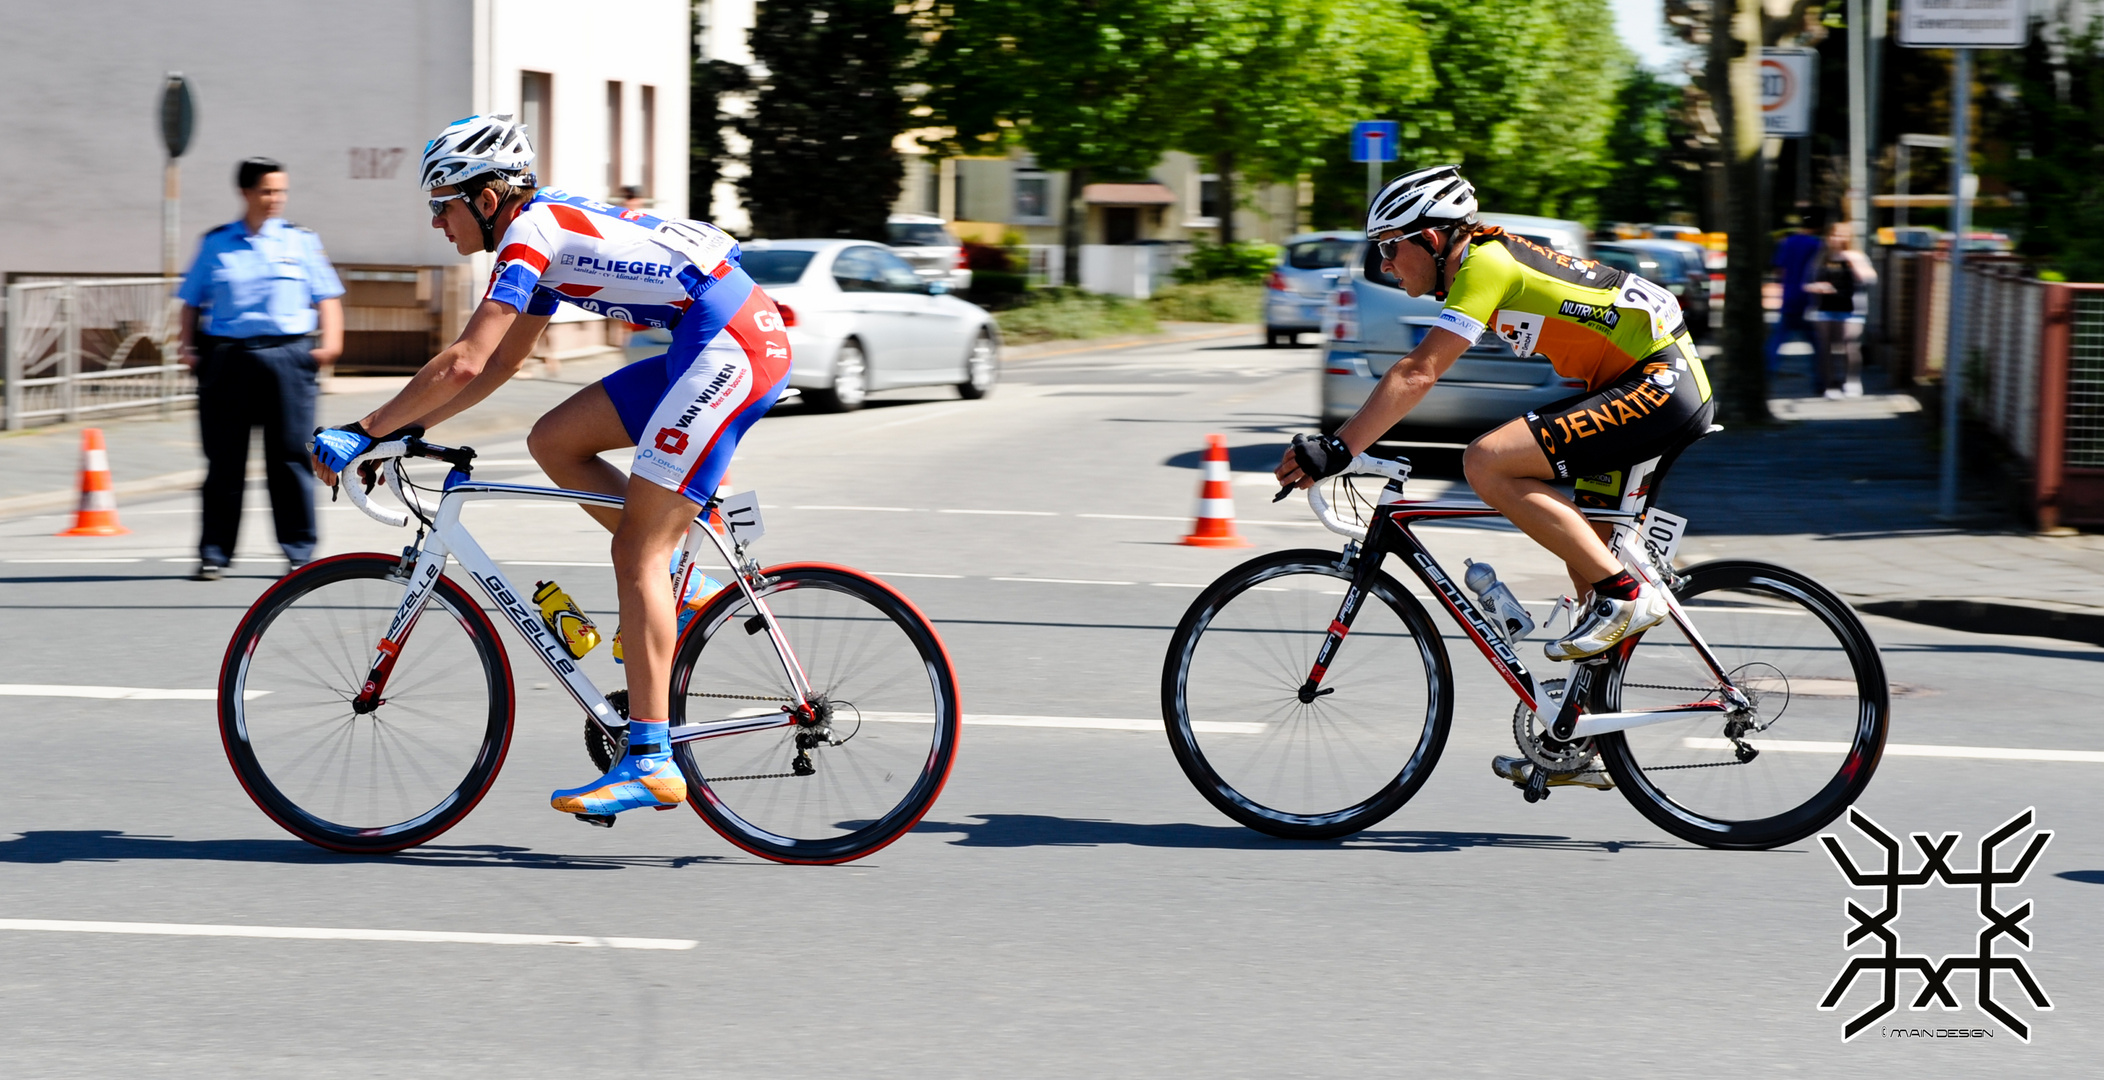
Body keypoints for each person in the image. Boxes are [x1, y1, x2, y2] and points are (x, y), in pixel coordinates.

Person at [307, 115, 791, 822]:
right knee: (556, 440)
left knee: (637, 550)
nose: (437, 222)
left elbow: (465, 359)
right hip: (711, 339)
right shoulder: (534, 234)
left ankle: (651, 758)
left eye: (442, 204)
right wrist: (403, 432)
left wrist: (363, 430)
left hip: (731, 347)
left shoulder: (530, 236)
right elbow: (500, 365)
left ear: (488, 197)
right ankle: (686, 582)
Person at [1273, 164, 1714, 789]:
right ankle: (1582, 733)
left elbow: (1418, 372)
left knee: (1485, 461)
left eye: (1390, 249)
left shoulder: (1485, 264)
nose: (1387, 267)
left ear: (1430, 239)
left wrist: (1339, 448)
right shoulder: (1484, 263)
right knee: (1584, 552)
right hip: (1635, 382)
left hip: (1659, 382)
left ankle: (1627, 594)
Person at [176, 157, 344, 580]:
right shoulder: (217, 243)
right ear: (246, 193)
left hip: (289, 358)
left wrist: (331, 345)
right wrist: (187, 347)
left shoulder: (300, 241)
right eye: (267, 191)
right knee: (224, 461)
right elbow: (191, 300)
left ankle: (299, 551)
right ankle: (214, 553)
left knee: (289, 457)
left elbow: (327, 296)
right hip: (227, 359)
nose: (275, 200)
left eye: (281, 191)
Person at [1805, 219, 1877, 398]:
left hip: (1851, 309)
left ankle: (1852, 381)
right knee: (1825, 348)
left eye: (1842, 235)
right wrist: (1816, 287)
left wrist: (1853, 261)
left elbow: (1870, 278)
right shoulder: (1822, 256)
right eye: (1834, 235)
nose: (1837, 239)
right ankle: (1830, 386)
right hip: (1824, 308)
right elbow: (1808, 282)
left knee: (1849, 344)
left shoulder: (1856, 256)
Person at [1765, 208, 1824, 381]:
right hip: (1809, 298)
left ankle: (1769, 366)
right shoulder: (1816, 245)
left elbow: (1779, 269)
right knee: (1817, 343)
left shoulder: (1787, 242)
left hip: (1789, 296)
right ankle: (1819, 377)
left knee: (1777, 338)